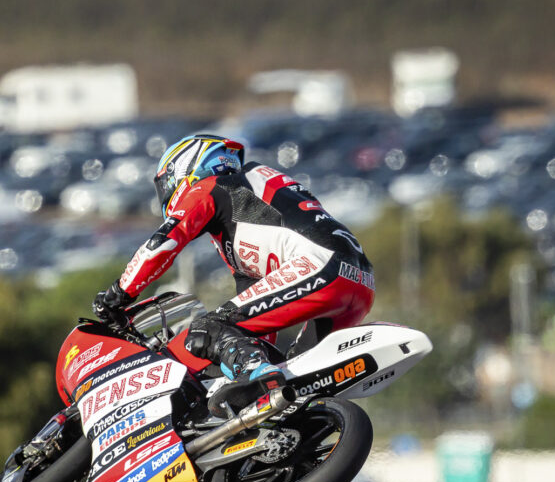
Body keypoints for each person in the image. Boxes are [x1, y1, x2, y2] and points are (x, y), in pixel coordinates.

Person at [93, 134, 375, 416]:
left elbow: (161, 245)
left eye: (166, 184)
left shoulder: (210, 187)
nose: (166, 194)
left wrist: (119, 293)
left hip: (320, 266)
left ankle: (254, 370)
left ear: (185, 168)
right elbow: (254, 312)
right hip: (360, 280)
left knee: (206, 329)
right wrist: (239, 349)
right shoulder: (252, 196)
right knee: (296, 379)